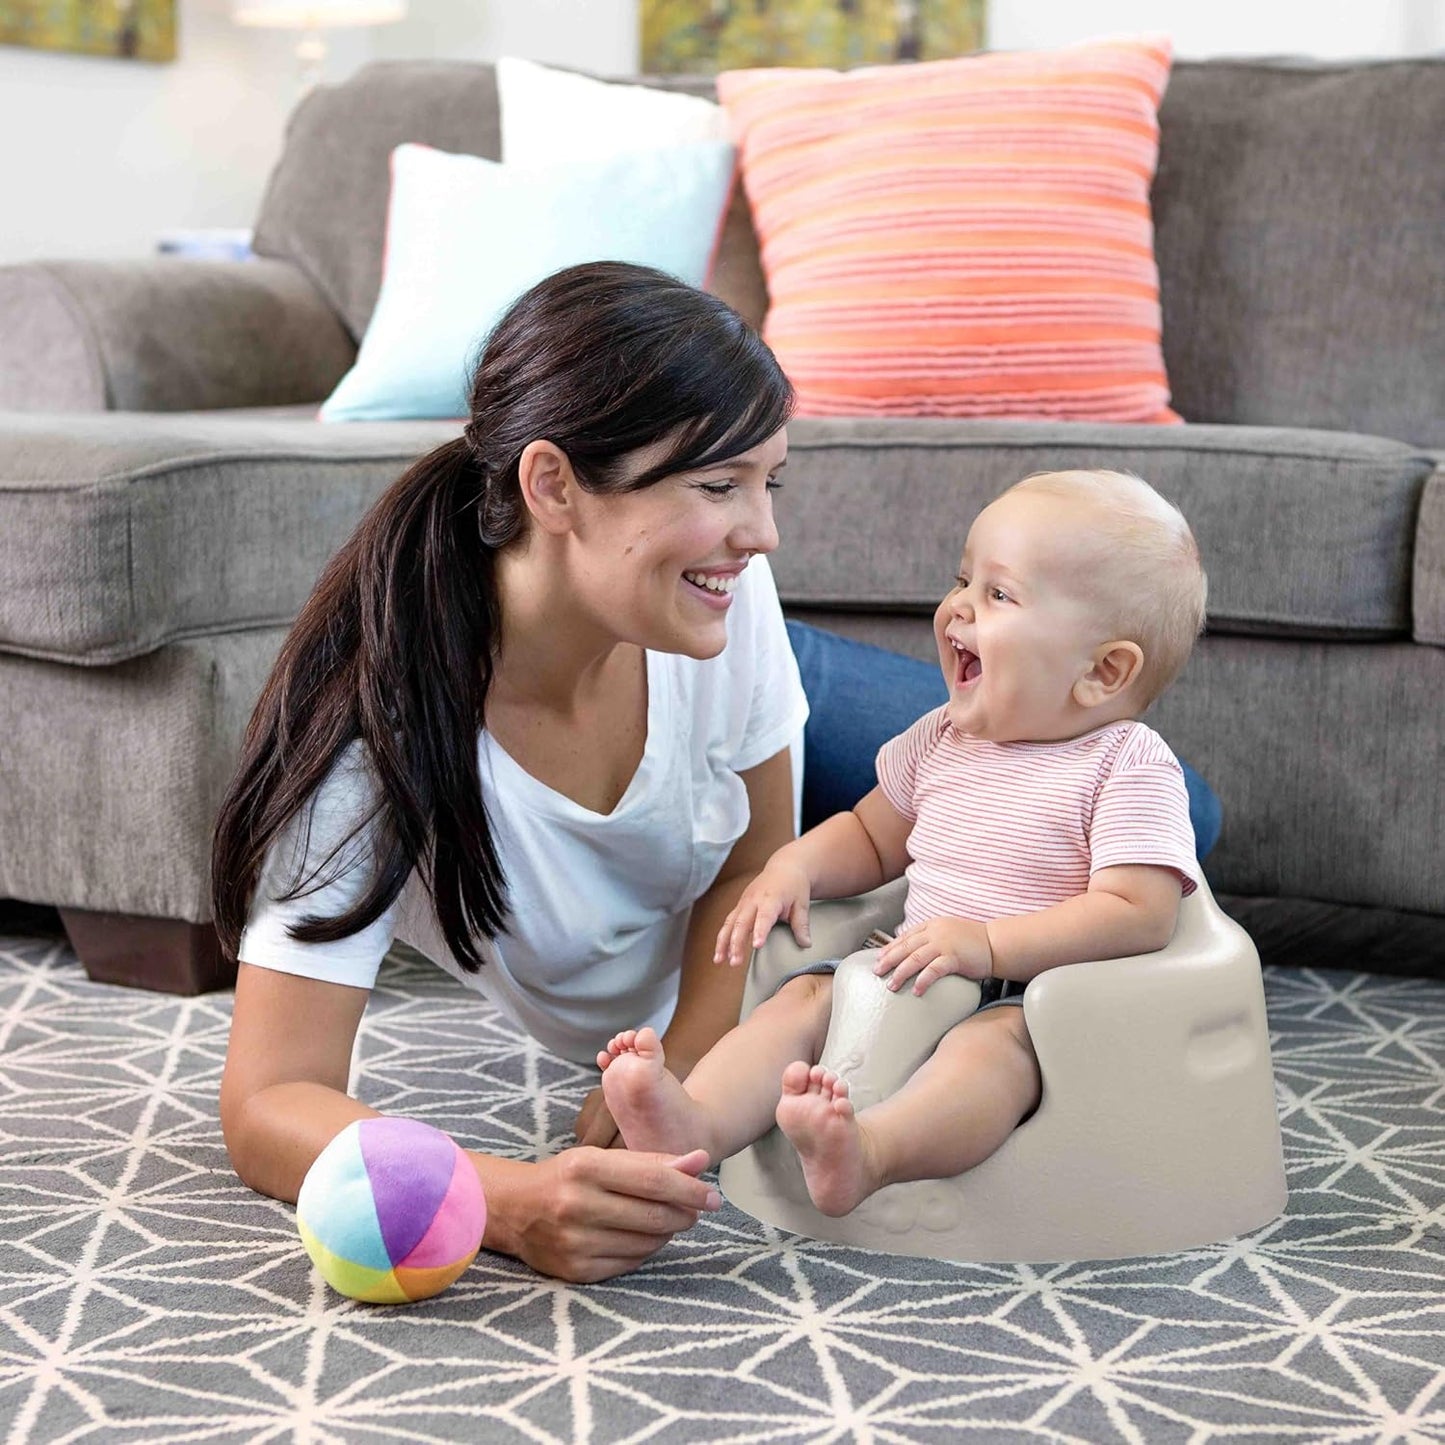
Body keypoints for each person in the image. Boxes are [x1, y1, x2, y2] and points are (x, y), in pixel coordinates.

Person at [212, 261, 805, 1283]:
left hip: (747, 693)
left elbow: (758, 856)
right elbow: (269, 1098)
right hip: (649, 662)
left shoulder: (723, 593)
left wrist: (688, 1061)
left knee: (1147, 807)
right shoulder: (375, 742)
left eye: (767, 481)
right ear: (551, 484)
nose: (762, 532)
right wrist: (503, 1197)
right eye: (717, 485)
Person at [597, 469, 1206, 1218]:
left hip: (1032, 997)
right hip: (904, 961)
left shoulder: (1124, 763)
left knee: (992, 1058)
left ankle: (873, 1152)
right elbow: (869, 835)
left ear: (1101, 670)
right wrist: (795, 864)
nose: (957, 608)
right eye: (962, 579)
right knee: (800, 999)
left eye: (998, 594)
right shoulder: (942, 737)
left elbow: (1137, 912)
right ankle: (694, 1121)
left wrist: (987, 944)